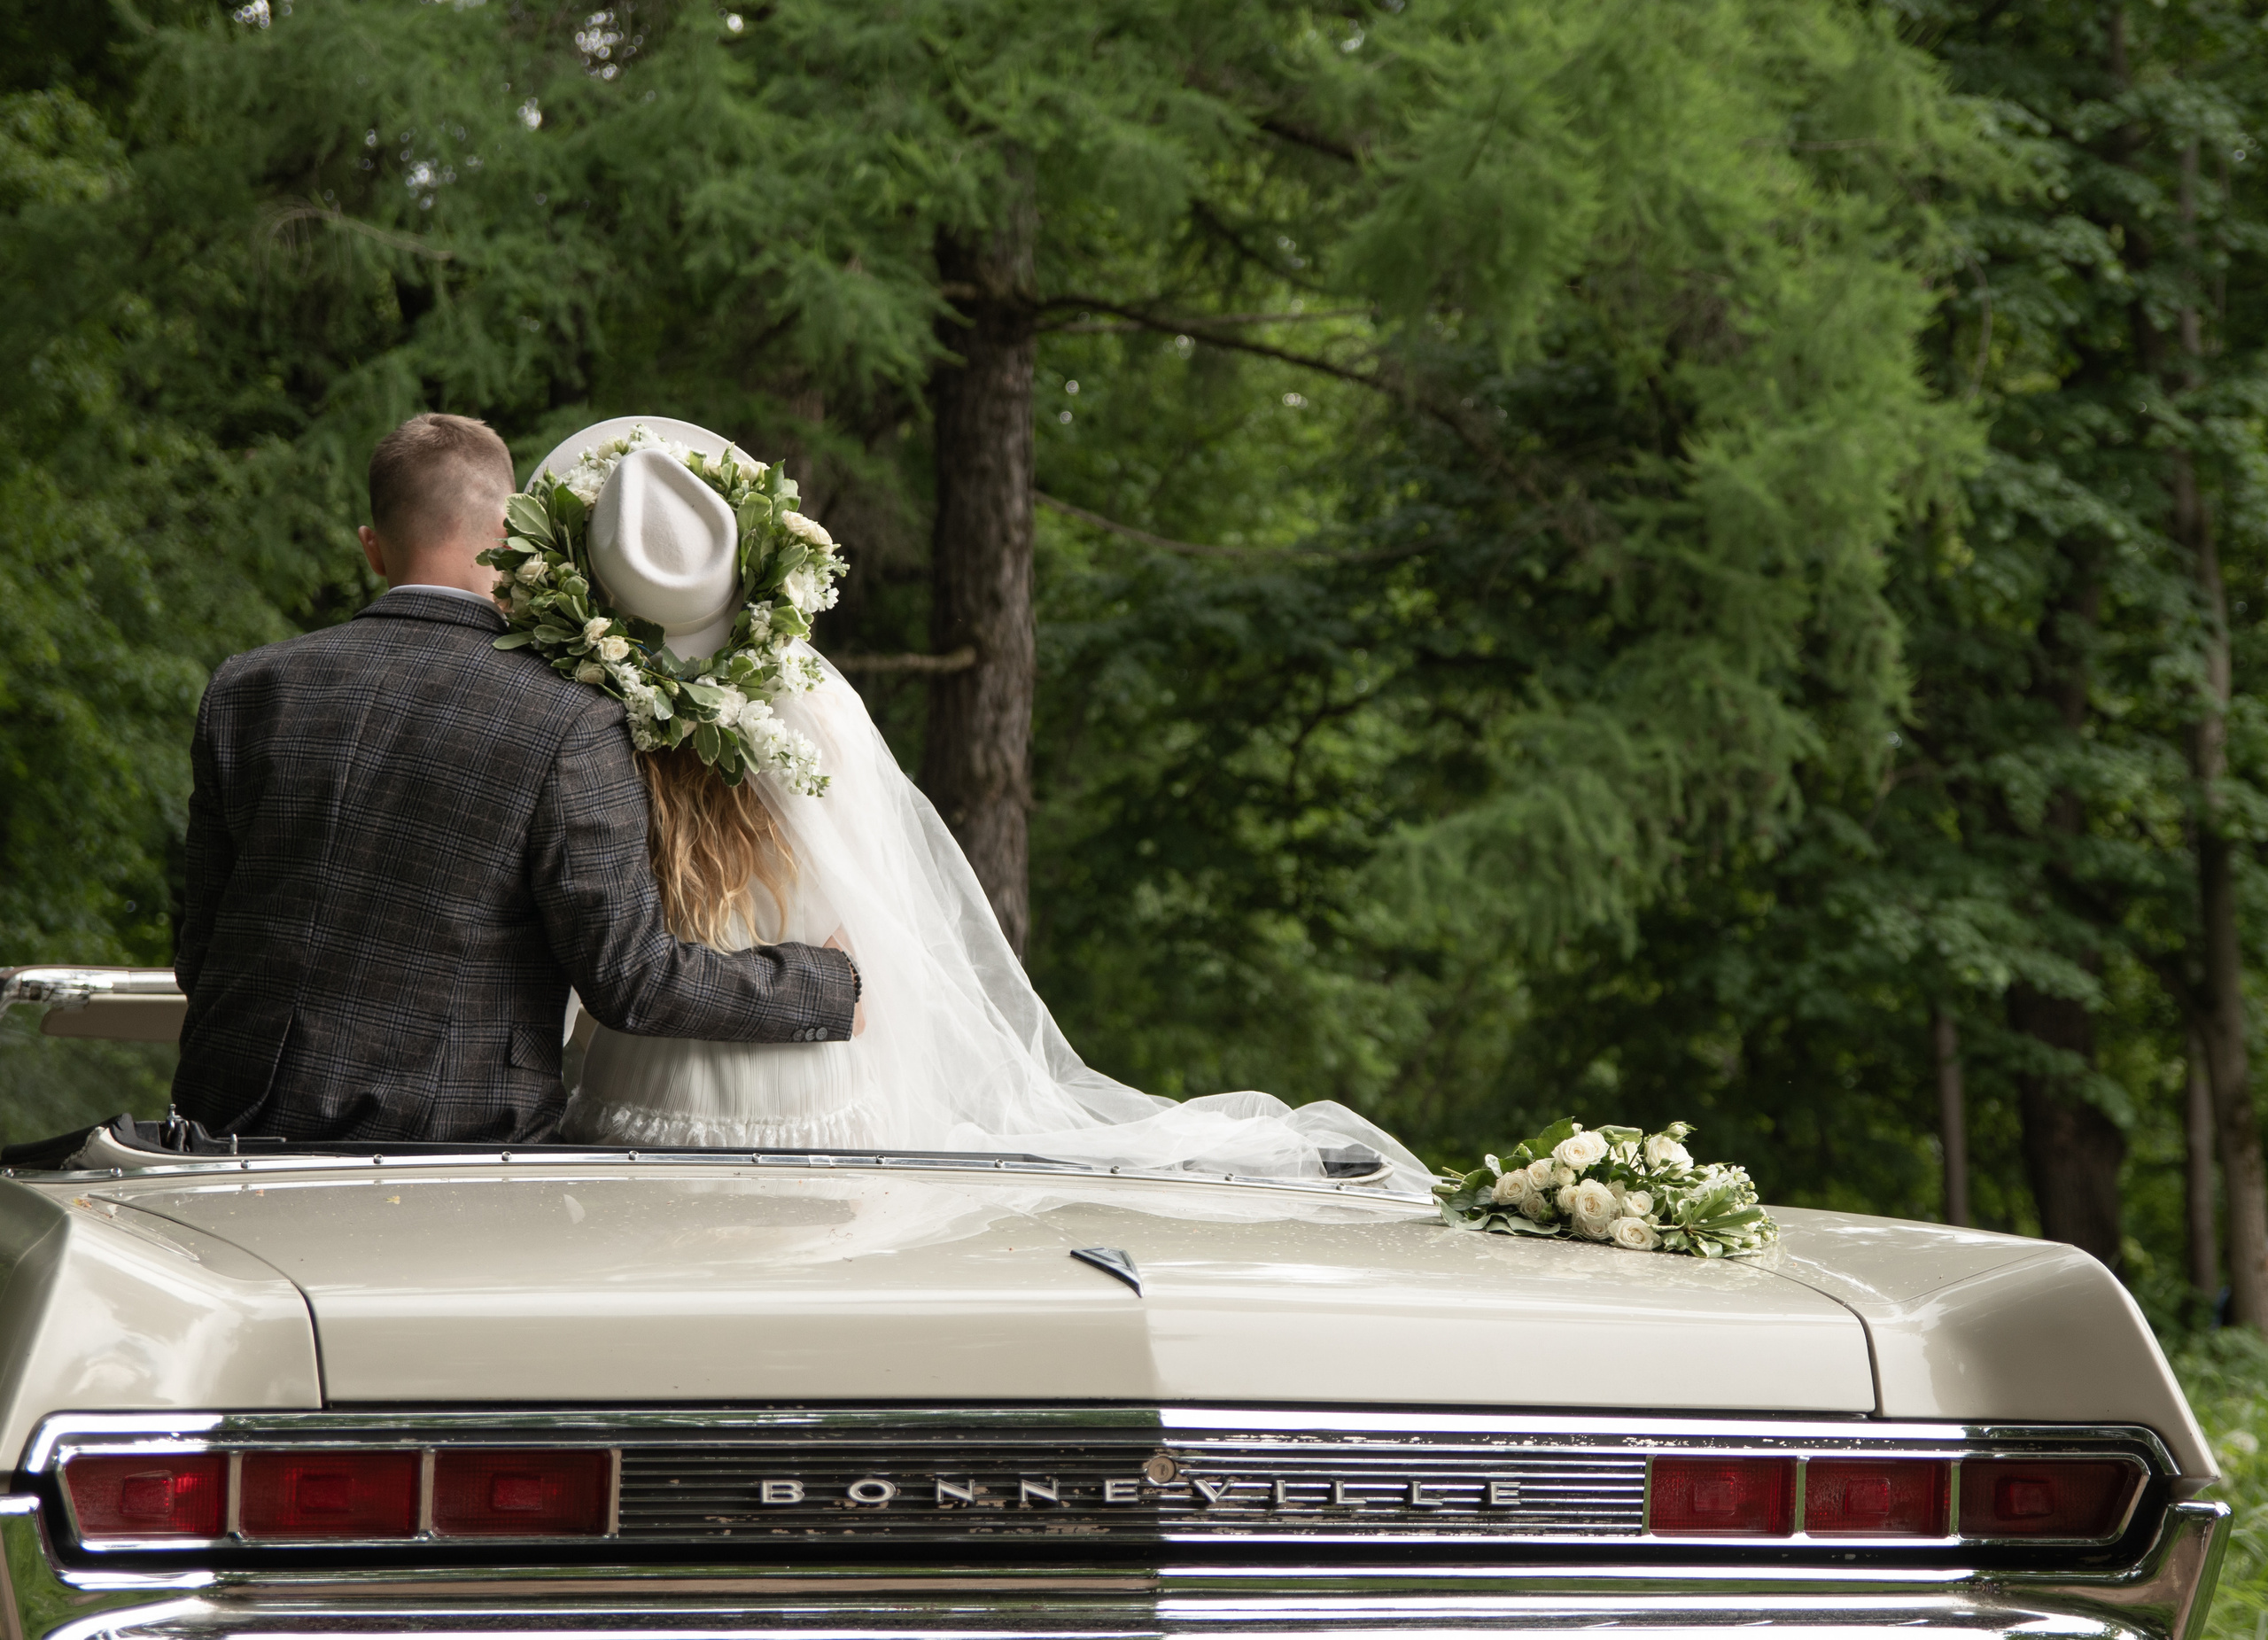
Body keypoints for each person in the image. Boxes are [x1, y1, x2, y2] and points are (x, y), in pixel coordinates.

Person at [549, 416, 1429, 1192]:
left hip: (651, 1074)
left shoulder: (587, 722)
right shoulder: (812, 701)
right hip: (810, 1066)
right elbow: (871, 905)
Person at [170, 412, 860, 1143]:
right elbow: (631, 980)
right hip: (446, 1156)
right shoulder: (568, 722)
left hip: (225, 1137)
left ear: (373, 549)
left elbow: (200, 954)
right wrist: (826, 983)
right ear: (509, 535)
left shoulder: (246, 688)